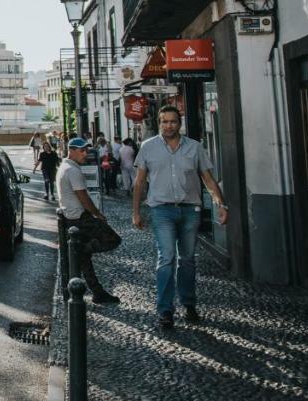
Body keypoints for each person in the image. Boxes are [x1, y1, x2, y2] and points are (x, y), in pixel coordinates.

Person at [132, 105, 229, 330]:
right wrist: (136, 211)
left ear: (180, 123)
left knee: (187, 259)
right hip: (161, 210)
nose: (169, 125)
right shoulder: (148, 147)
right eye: (164, 121)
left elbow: (208, 179)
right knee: (166, 258)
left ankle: (189, 303)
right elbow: (139, 182)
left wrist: (221, 204)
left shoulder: (195, 147)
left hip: (190, 210)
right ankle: (165, 310)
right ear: (159, 123)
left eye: (173, 121)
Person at [57, 137, 122, 304]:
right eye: (82, 151)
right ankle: (82, 250)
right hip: (80, 218)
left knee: (85, 264)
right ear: (71, 151)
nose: (85, 154)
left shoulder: (65, 167)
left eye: (86, 150)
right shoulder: (72, 170)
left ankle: (98, 292)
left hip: (71, 218)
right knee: (113, 239)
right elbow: (83, 197)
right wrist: (97, 213)